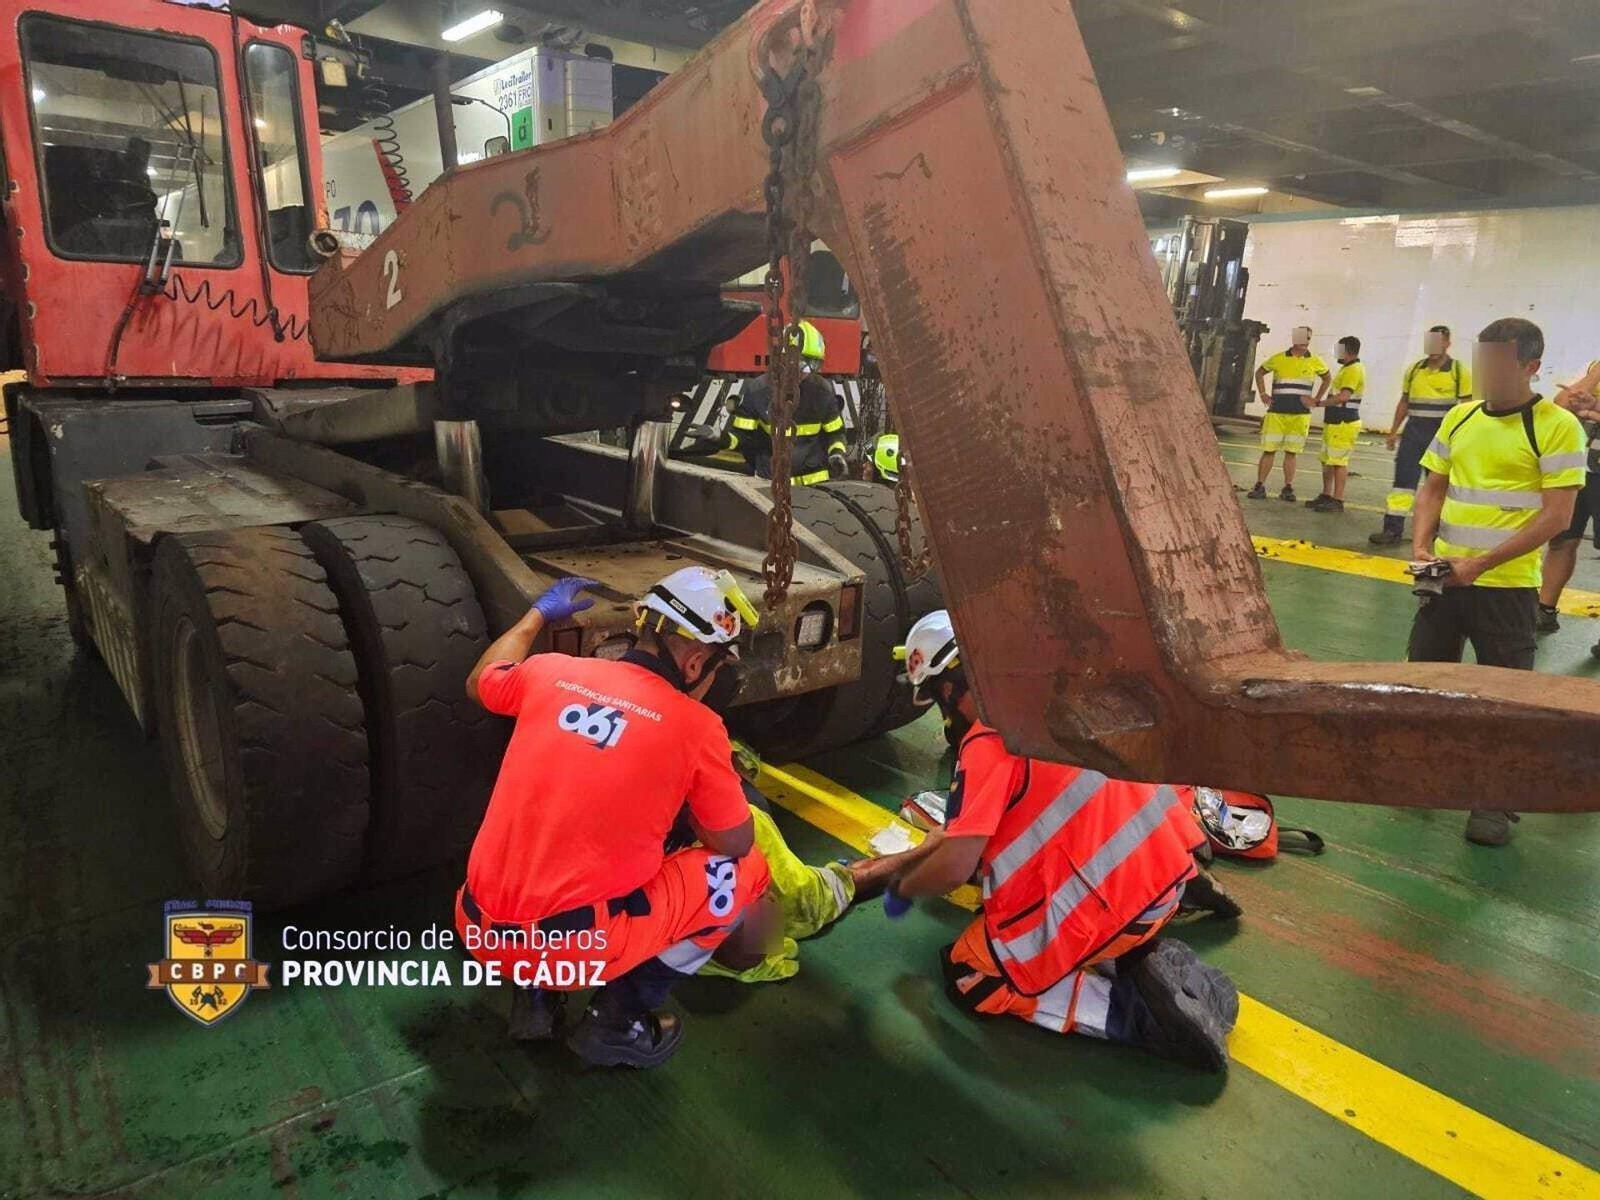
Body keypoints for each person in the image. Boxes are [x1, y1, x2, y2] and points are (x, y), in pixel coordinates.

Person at [877, 611, 1240, 1072]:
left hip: (1115, 909)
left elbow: (955, 868)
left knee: (971, 974)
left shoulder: (990, 742)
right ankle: (1144, 958)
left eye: (934, 697)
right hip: (1168, 873)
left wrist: (903, 888)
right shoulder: (1069, 693)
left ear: (950, 688)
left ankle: (1133, 1014)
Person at [456, 566, 774, 1068]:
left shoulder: (553, 671)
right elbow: (733, 840)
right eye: (715, 668)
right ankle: (617, 1022)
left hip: (477, 926)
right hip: (574, 946)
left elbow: (480, 681)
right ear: (693, 663)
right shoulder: (697, 726)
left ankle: (534, 1000)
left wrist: (538, 613)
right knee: (743, 871)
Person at [1407, 318, 1586, 847]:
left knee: (1505, 700)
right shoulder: (1460, 418)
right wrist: (1422, 547)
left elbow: (1557, 517)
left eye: (1498, 364)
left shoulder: (1556, 427)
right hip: (1444, 582)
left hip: (1506, 588)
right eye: (1481, 360)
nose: (1485, 373)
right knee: (1425, 682)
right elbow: (1432, 488)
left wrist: (1480, 565)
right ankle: (1424, 776)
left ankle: (1495, 800)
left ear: (1530, 367)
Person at [682, 320, 848, 485]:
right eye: (803, 364)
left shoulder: (822, 391)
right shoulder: (757, 391)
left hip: (814, 486)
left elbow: (836, 433)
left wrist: (837, 453)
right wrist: (718, 437)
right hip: (769, 486)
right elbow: (742, 439)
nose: (806, 372)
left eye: (814, 365)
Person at [1370, 325, 1473, 546]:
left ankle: (1440, 531)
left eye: (1439, 341)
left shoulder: (1458, 371)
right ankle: (1392, 529)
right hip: (1413, 434)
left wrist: (1464, 438)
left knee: (1438, 485)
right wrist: (1393, 431)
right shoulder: (1415, 370)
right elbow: (1404, 401)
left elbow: (1467, 407)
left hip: (1441, 437)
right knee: (1402, 483)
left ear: (1447, 343)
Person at [1536, 358, 1600, 637]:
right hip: (1580, 468)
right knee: (1562, 540)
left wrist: (1593, 410)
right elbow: (1561, 403)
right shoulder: (1593, 368)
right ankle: (1544, 611)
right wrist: (1595, 375)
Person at [1247, 326, 1330, 503]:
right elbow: (1260, 373)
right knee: (1269, 450)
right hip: (1277, 412)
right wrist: (1262, 393)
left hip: (1300, 415)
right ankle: (1260, 485)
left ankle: (1288, 487)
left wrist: (1316, 399)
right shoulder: (1278, 358)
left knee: (1292, 452)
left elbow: (1327, 378)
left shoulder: (1315, 361)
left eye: (1307, 337)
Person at [1306, 336, 1366, 513]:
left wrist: (1318, 403)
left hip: (1343, 422)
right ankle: (1326, 495)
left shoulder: (1353, 370)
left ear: (1347, 350)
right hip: (1334, 422)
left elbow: (1343, 397)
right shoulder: (1346, 369)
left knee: (1339, 462)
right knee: (1327, 460)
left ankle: (1338, 499)